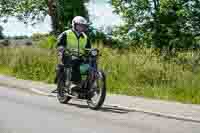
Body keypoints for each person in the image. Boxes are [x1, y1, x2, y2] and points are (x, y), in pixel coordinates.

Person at [52, 16, 91, 93]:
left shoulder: (85, 37)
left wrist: (90, 53)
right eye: (79, 25)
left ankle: (87, 86)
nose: (81, 27)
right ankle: (74, 83)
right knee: (76, 63)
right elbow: (59, 44)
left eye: (83, 26)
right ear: (74, 25)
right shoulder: (66, 33)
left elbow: (88, 49)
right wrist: (62, 48)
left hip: (80, 56)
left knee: (89, 65)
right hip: (67, 55)